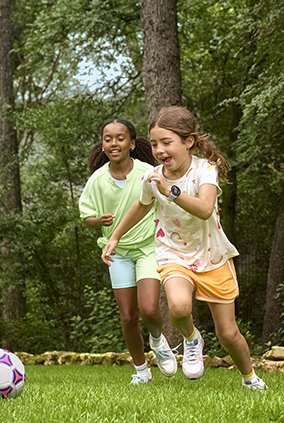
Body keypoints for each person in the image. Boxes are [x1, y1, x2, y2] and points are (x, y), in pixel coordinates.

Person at [101, 106, 267, 390]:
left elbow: (204, 209)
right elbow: (141, 206)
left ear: (188, 141)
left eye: (167, 142)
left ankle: (249, 377)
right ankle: (191, 339)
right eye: (155, 144)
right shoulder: (153, 177)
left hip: (212, 255)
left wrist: (170, 191)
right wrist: (115, 237)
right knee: (178, 307)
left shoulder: (205, 170)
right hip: (173, 253)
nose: (160, 150)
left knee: (228, 333)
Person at [79, 118, 179, 385]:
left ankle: (157, 340)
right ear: (103, 145)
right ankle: (141, 371)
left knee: (149, 308)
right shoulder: (97, 180)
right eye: (108, 139)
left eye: (120, 138)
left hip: (148, 247)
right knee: (128, 316)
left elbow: (166, 200)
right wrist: (97, 221)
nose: (114, 143)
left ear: (132, 144)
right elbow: (86, 216)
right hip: (118, 253)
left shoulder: (148, 172)